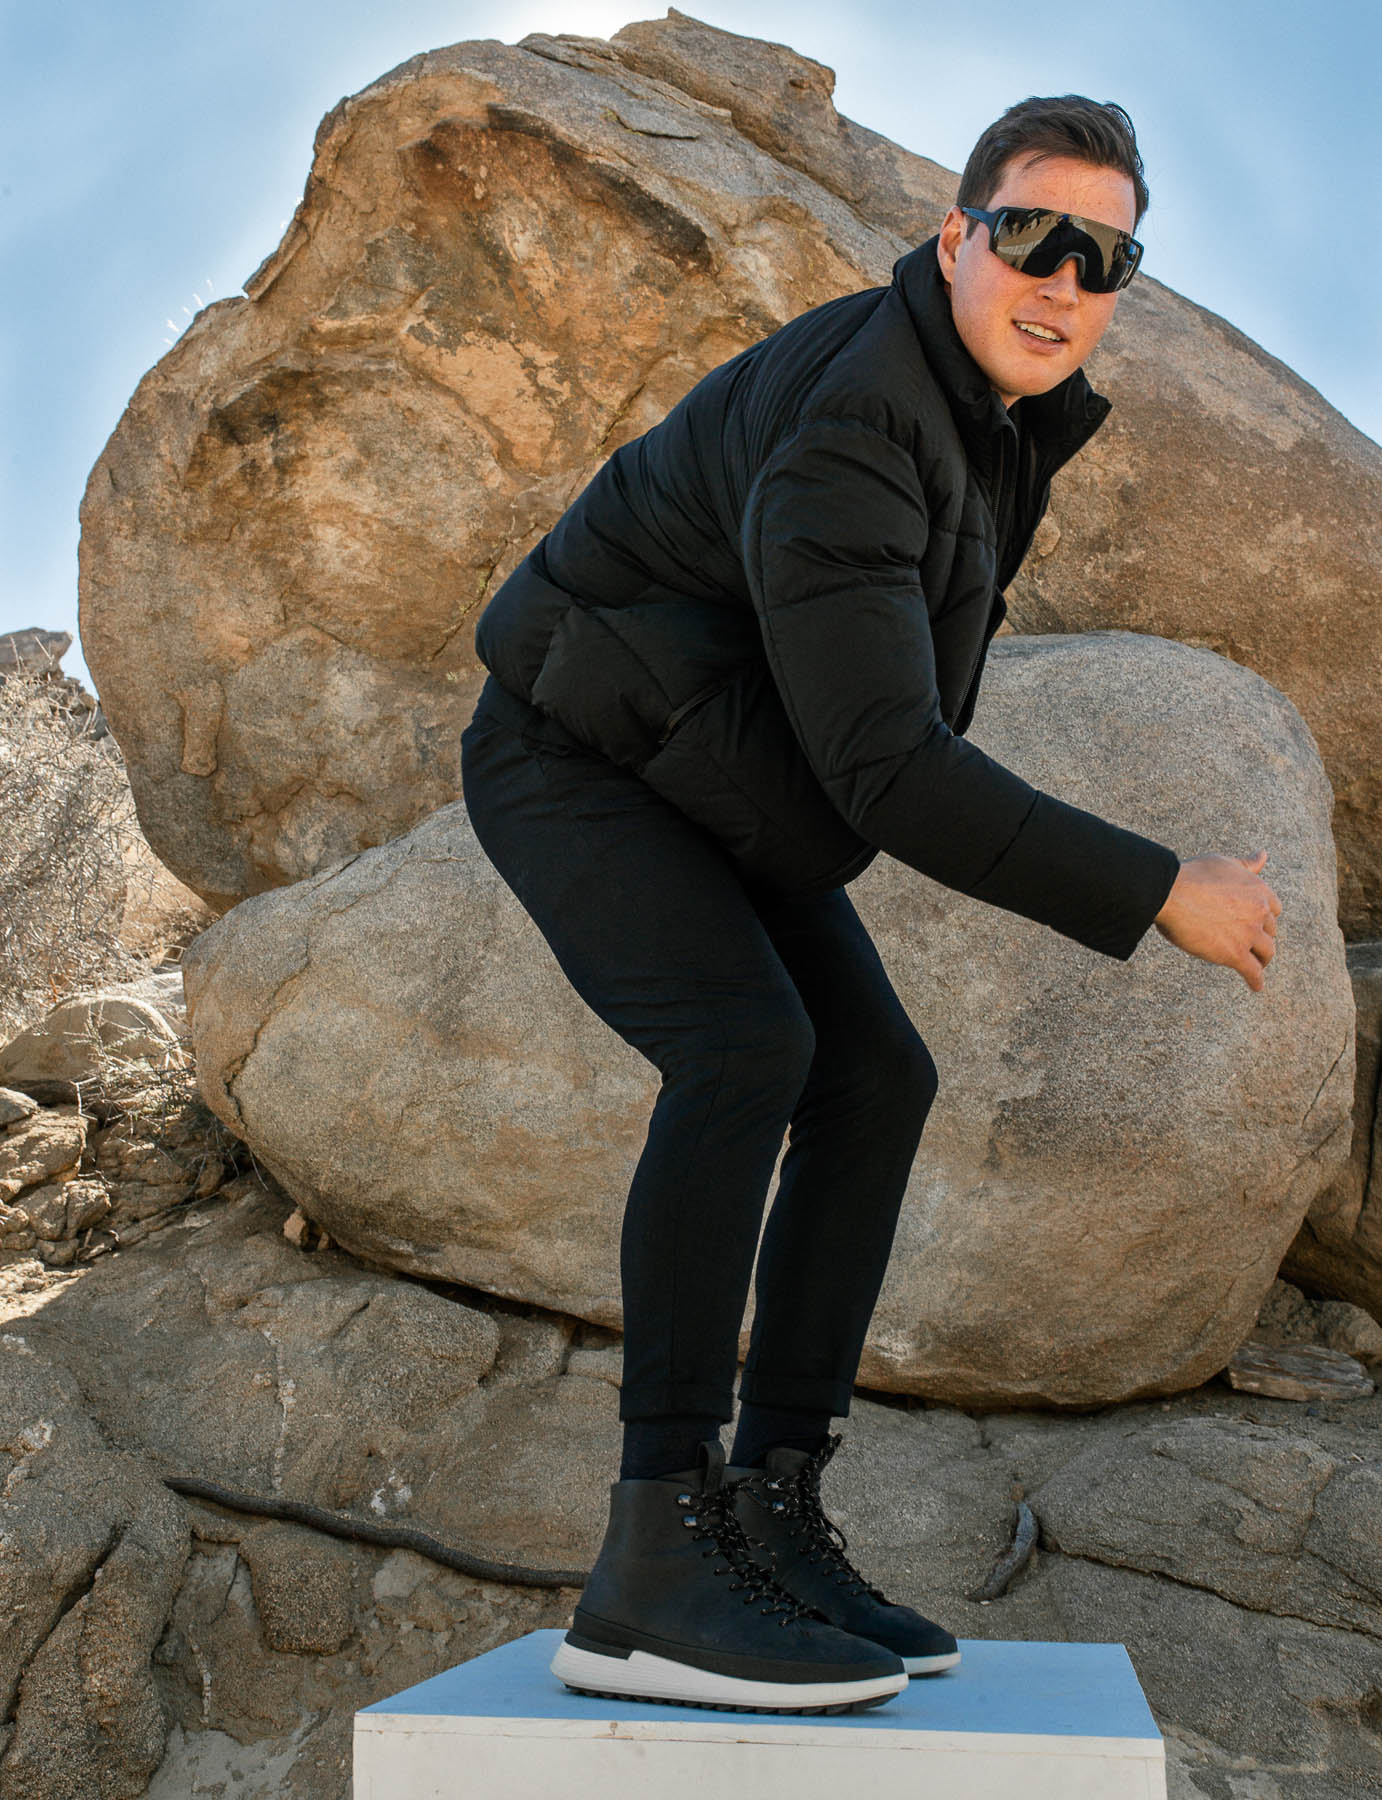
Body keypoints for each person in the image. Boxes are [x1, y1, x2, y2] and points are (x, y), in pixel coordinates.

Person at [459, 92, 1282, 1715]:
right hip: (578, 754)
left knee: (875, 1078)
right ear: (952, 238)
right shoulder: (863, 416)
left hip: (703, 769)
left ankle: (768, 1510)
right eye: (1030, 237)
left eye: (1103, 259)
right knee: (743, 1053)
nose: (1062, 282)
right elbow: (887, 766)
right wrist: (1157, 887)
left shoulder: (981, 415)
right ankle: (653, 1557)